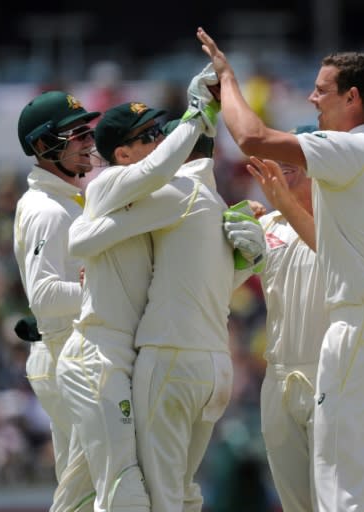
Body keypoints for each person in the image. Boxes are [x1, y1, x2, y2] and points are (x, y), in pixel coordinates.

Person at [196, 27, 364, 512]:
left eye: (321, 91)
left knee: (337, 486)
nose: (311, 99)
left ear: (352, 97)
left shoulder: (350, 148)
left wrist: (228, 82)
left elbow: (251, 137)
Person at [64, 110, 264, 512]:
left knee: (145, 496)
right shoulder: (209, 202)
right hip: (196, 366)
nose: (158, 144)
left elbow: (84, 240)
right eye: (149, 136)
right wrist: (248, 261)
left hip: (165, 358)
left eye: (161, 136)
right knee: (166, 493)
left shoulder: (174, 195)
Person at [14, 90, 98, 512]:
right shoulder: (47, 209)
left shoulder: (66, 199)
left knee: (86, 483)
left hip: (71, 353)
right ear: (44, 145)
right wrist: (105, 290)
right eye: (77, 133)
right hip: (63, 352)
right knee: (86, 487)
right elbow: (44, 296)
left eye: (88, 130)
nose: (88, 141)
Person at [238, 124, 327, 511]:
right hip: (278, 377)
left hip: (333, 373)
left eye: (293, 166)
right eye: (281, 165)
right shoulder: (267, 226)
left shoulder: (348, 224)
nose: (281, 174)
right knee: (295, 504)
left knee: (337, 499)